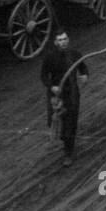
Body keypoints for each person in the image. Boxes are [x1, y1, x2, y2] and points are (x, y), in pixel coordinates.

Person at [41, 30, 87, 166]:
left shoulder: (75, 54)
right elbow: (43, 76)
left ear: (69, 39)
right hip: (57, 96)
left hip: (72, 94)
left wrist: (85, 76)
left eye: (65, 39)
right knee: (56, 122)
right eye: (60, 40)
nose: (63, 42)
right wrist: (52, 87)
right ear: (55, 42)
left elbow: (83, 68)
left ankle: (68, 153)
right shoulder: (50, 57)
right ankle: (65, 140)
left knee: (71, 123)